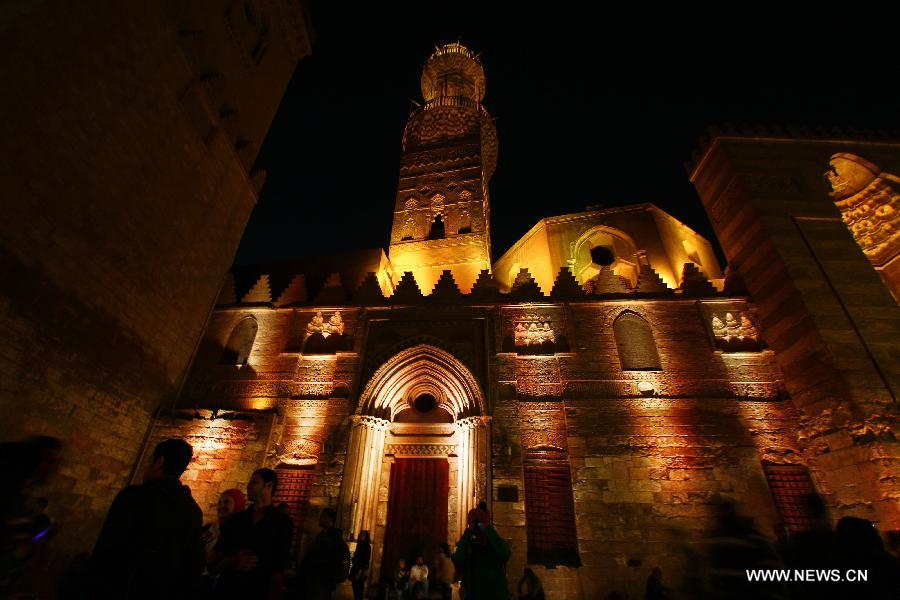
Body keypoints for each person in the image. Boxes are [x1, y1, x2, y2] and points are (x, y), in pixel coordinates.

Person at [82, 438, 204, 599]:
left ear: (159, 462)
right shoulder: (194, 512)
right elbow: (192, 566)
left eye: (149, 462)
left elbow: (107, 549)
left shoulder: (133, 497)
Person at [211, 469, 293, 600]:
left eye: (254, 481)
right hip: (228, 589)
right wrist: (231, 562)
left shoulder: (283, 522)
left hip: (259, 591)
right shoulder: (236, 519)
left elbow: (278, 566)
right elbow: (214, 559)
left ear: (269, 485)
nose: (248, 485)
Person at [452, 507, 511, 600]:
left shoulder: (495, 545)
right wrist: (470, 530)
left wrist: (486, 528)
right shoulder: (470, 546)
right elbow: (458, 559)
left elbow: (505, 554)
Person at [295, 507, 350, 600]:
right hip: (315, 579)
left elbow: (336, 559)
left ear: (329, 519)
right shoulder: (321, 536)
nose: (320, 519)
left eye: (323, 516)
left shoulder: (333, 539)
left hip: (323, 580)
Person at [350, 530, 371, 600]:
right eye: (361, 534)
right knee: (355, 588)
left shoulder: (367, 546)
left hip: (361, 571)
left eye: (364, 535)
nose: (362, 536)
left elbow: (366, 560)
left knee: (359, 589)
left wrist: (360, 572)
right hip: (356, 568)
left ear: (366, 537)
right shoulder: (359, 545)